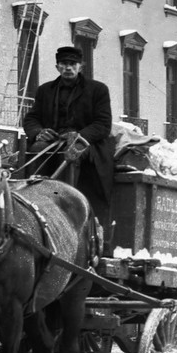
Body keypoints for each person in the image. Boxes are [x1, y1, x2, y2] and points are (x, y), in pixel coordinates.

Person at [22, 45, 113, 241]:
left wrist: (79, 135)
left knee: (70, 153)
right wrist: (38, 132)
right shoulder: (45, 91)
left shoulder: (98, 90)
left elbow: (103, 124)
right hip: (53, 141)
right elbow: (31, 118)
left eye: (72, 64)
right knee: (35, 150)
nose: (68, 68)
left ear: (80, 66)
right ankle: (32, 202)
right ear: (57, 67)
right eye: (64, 64)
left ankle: (64, 205)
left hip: (87, 144)